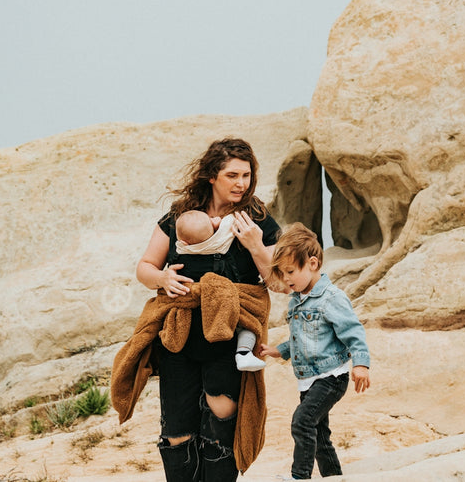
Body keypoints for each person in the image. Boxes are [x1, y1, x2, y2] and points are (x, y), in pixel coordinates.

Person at [110, 138, 280, 482]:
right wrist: (161, 278)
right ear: (211, 176)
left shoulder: (256, 219)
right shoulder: (178, 218)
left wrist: (255, 245)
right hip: (179, 333)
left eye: (246, 175)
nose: (241, 183)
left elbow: (278, 281)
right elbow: (145, 267)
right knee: (176, 431)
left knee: (221, 412)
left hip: (228, 333)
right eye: (232, 174)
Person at [260, 222, 371, 481]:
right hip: (308, 379)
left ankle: (300, 477)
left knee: (302, 421)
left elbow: (353, 331)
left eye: (290, 271)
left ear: (312, 264)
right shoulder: (298, 300)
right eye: (282, 274)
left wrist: (361, 364)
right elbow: (304, 338)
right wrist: (280, 350)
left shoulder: (331, 298)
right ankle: (333, 475)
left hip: (331, 377)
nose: (286, 279)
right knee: (320, 434)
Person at [175, 210, 266, 372]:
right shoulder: (221, 241)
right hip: (226, 304)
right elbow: (230, 223)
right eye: (211, 220)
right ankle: (244, 353)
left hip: (200, 317)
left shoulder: (182, 250)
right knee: (249, 325)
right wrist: (218, 221)